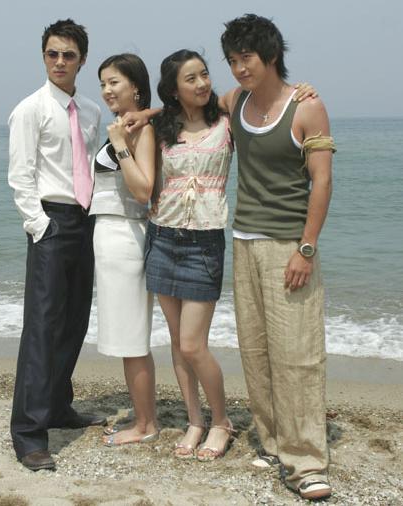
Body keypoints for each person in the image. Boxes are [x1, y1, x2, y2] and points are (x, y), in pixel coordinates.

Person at [220, 14, 336, 500]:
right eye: (232, 60)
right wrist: (145, 114)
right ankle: (273, 442)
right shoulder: (236, 102)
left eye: (246, 57)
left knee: (298, 355)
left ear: (270, 55)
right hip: (243, 243)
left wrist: (306, 249)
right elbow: (188, 102)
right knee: (256, 351)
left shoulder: (306, 106)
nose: (239, 68)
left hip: (288, 246)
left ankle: (306, 460)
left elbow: (322, 181)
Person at [8, 19, 105, 471]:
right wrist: (39, 226)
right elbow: (20, 175)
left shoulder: (90, 110)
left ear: (81, 59)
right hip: (50, 221)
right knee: (43, 327)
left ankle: (59, 406)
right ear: (43, 57)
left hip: (85, 220)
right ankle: (29, 434)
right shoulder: (30, 109)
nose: (60, 61)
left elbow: (93, 164)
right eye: (52, 54)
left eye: (68, 55)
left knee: (74, 320)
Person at [145, 50, 236, 461]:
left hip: (204, 243)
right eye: (190, 78)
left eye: (204, 74)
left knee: (193, 344)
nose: (201, 84)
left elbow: (260, 98)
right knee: (178, 344)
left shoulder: (226, 121)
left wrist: (300, 91)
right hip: (163, 237)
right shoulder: (162, 129)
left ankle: (222, 421)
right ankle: (195, 421)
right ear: (173, 89)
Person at [92, 54, 158, 446]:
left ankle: (146, 425)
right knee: (126, 338)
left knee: (131, 340)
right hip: (111, 235)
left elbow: (143, 188)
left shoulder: (138, 131)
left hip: (126, 235)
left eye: (114, 82)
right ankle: (143, 418)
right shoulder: (128, 125)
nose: (106, 90)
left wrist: (119, 144)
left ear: (135, 86)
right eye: (102, 83)